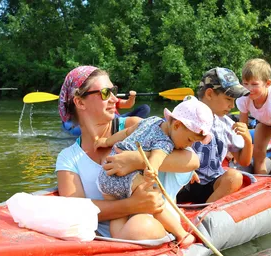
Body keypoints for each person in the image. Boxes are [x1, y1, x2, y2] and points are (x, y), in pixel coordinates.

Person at [55, 66, 200, 241]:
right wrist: (130, 205)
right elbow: (75, 211)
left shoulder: (136, 126)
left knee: (141, 226)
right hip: (106, 239)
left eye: (114, 91)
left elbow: (192, 160)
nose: (115, 99)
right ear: (80, 102)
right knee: (138, 227)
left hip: (154, 225)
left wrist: (136, 160)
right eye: (105, 93)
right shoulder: (68, 158)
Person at [94, 96, 214, 245]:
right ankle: (181, 233)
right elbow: (157, 158)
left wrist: (106, 141)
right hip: (126, 177)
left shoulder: (150, 121)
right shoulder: (165, 142)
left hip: (106, 175)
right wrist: (152, 169)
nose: (189, 146)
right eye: (189, 140)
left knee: (118, 213)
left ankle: (118, 236)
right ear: (176, 125)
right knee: (154, 200)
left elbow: (126, 133)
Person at [177, 67, 253, 204]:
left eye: (233, 100)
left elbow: (243, 161)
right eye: (228, 99)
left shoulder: (226, 124)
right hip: (182, 182)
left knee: (234, 177)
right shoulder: (186, 117)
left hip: (211, 184)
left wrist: (247, 140)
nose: (232, 106)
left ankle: (204, 212)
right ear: (210, 94)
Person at [61, 90, 150, 136]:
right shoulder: (89, 104)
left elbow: (128, 104)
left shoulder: (113, 99)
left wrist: (132, 97)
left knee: (145, 108)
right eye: (106, 93)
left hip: (118, 118)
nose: (113, 99)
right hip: (111, 121)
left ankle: (133, 127)